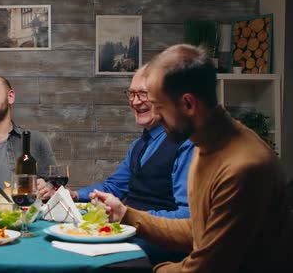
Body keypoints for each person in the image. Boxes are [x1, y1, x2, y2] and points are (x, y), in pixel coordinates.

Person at [91, 44, 293, 272]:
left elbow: (205, 268)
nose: (155, 116)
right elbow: (197, 229)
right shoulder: (206, 143)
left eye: (159, 107)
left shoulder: (242, 168)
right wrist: (126, 214)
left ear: (188, 104)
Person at [38, 65, 194, 265]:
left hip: (158, 243)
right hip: (129, 231)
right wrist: (75, 195)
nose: (136, 102)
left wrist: (127, 216)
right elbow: (113, 187)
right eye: (131, 94)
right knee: (54, 242)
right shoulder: (139, 145)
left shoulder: (186, 144)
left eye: (143, 94)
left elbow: (186, 216)